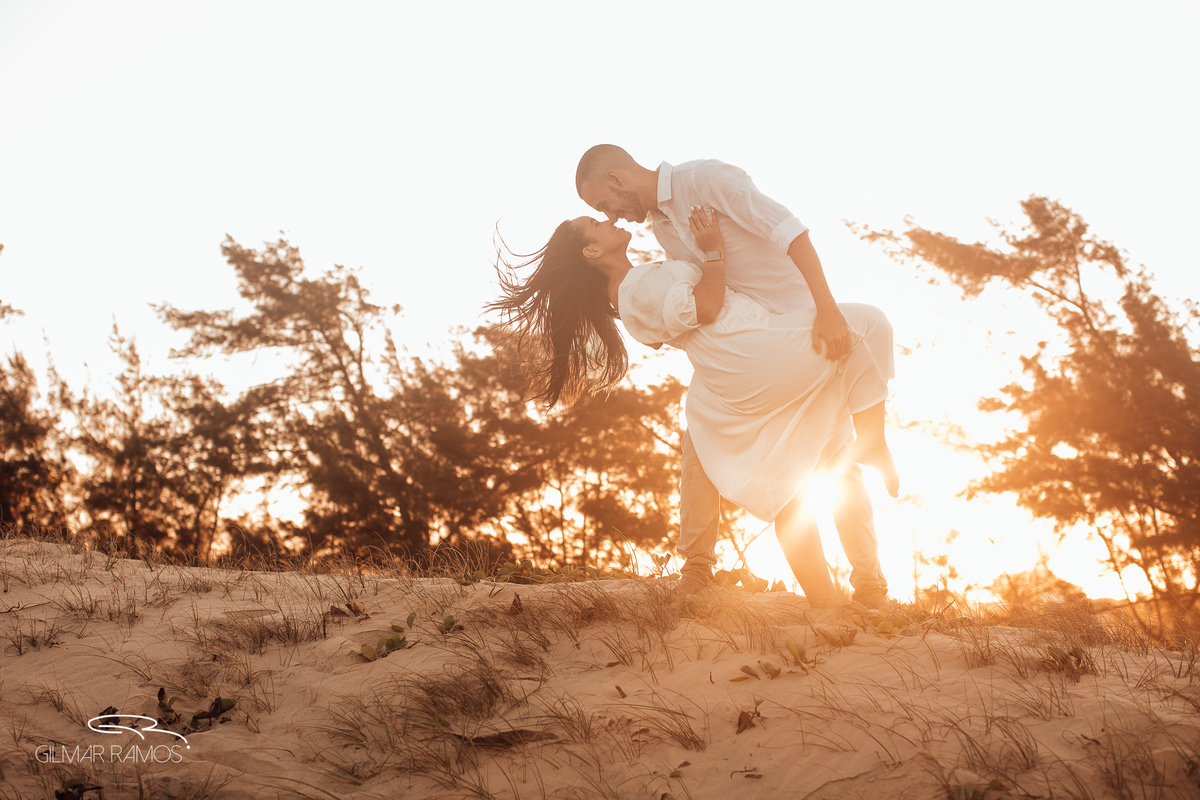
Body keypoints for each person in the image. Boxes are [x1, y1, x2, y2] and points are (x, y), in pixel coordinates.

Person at [488, 203, 898, 610]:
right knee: (868, 327)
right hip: (746, 347)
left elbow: (660, 330)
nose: (608, 219)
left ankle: (815, 598)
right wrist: (712, 250)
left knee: (756, 464)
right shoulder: (631, 288)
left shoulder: (631, 288)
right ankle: (871, 475)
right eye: (595, 223)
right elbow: (704, 308)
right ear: (591, 252)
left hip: (729, 363)